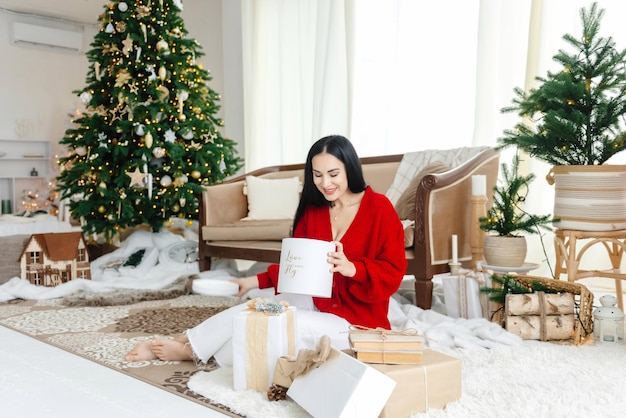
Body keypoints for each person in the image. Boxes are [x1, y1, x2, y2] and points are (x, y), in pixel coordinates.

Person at [125, 135, 407, 365]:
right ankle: (184, 340)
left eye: (333, 174)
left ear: (350, 169)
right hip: (318, 300)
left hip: (357, 322)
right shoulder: (314, 210)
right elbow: (299, 266)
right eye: (317, 175)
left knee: (278, 323)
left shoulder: (379, 208)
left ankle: (190, 351)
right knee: (258, 310)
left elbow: (394, 273)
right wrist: (251, 281)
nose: (325, 183)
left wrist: (353, 268)